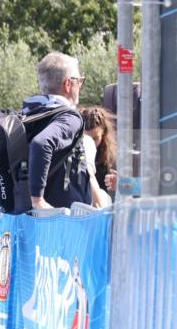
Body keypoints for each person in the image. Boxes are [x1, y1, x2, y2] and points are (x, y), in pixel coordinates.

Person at [24, 52, 91, 210]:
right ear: (68, 84)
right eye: (79, 81)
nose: (80, 85)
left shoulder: (30, 114)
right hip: (60, 222)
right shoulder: (69, 117)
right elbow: (41, 144)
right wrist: (37, 201)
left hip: (28, 218)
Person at [81, 106, 117, 198]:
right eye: (86, 139)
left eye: (95, 138)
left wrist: (120, 184)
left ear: (104, 133)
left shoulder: (113, 156)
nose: (91, 143)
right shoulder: (72, 154)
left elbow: (133, 187)